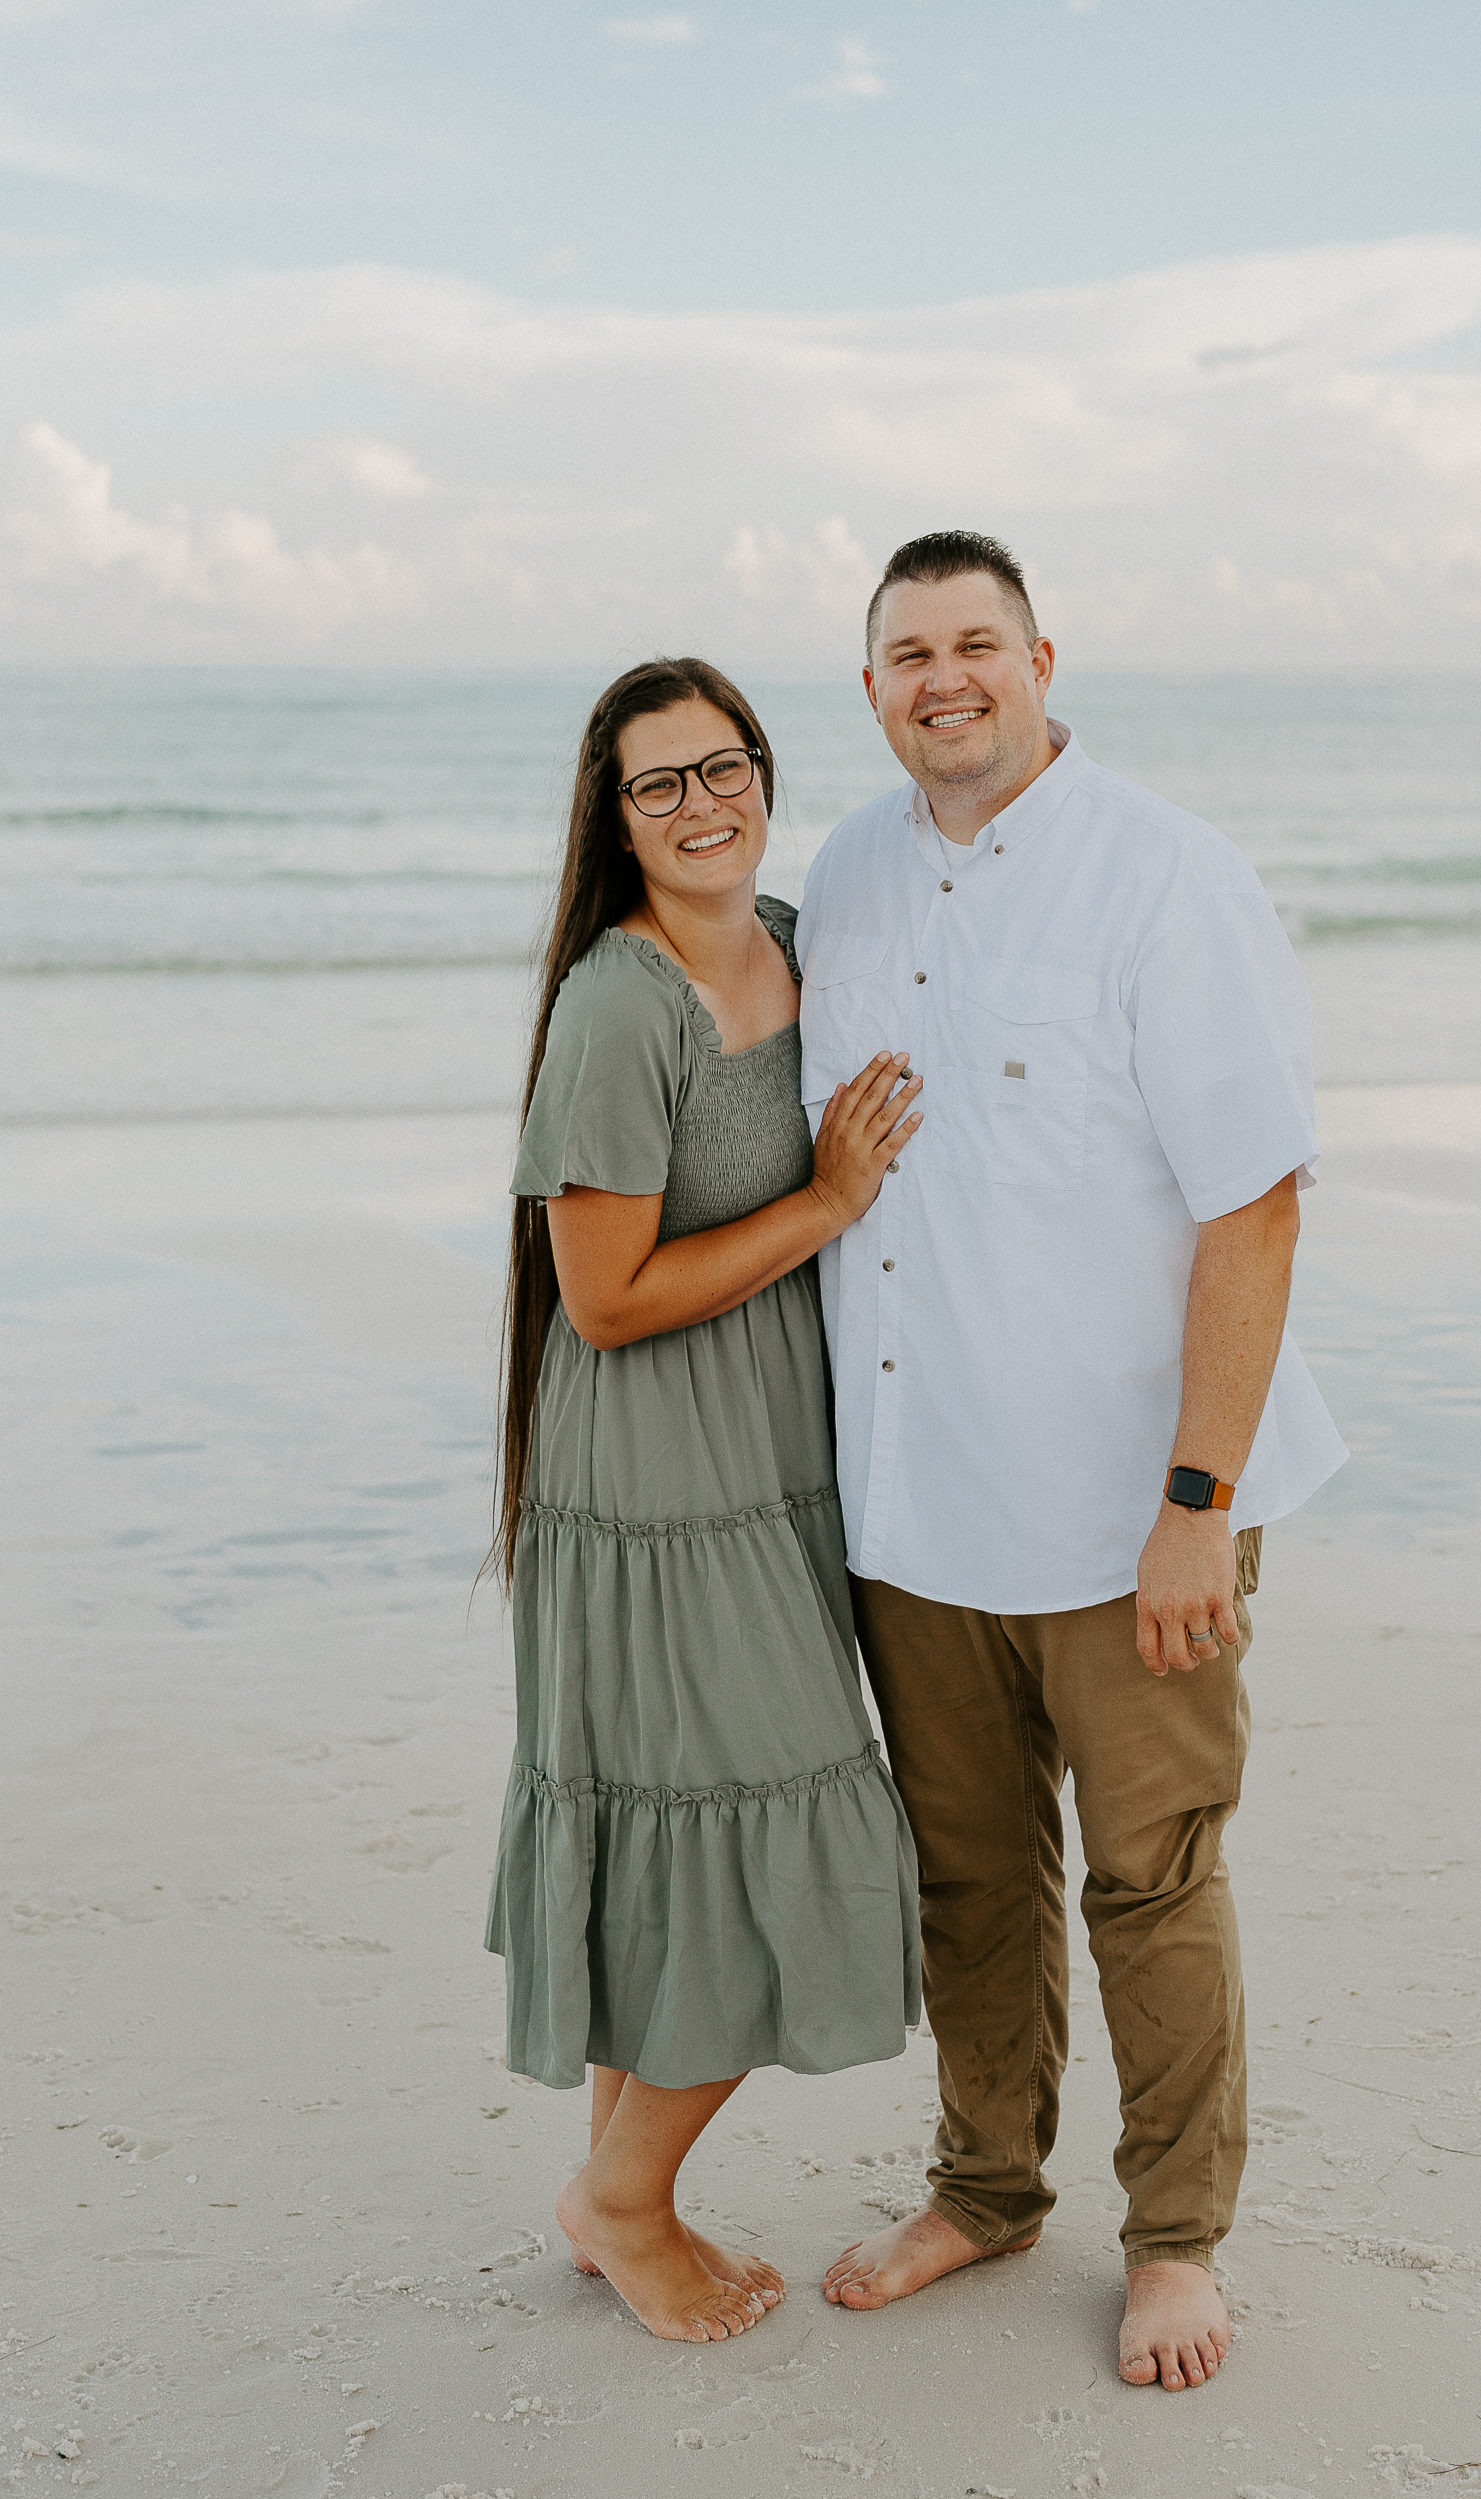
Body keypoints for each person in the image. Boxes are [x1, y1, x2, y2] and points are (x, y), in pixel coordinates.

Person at [796, 533, 1348, 2390]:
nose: (941, 678)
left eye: (973, 645)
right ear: (867, 688)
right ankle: (985, 2187)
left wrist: (1197, 1509)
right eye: (904, 654)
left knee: (1151, 1878)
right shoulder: (851, 872)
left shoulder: (1168, 876)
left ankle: (1178, 2239)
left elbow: (1253, 1206)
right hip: (917, 1499)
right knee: (970, 1880)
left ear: (1040, 657)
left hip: (1133, 1516)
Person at [484, 657, 924, 2347]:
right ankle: (623, 2195)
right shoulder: (621, 1003)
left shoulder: (801, 942)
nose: (701, 803)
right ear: (614, 816)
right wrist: (824, 1203)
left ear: (762, 773)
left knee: (687, 1813)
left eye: (723, 765)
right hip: (657, 1470)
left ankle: (613, 2193)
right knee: (782, 1821)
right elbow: (601, 1299)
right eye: (659, 782)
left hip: (768, 1456)